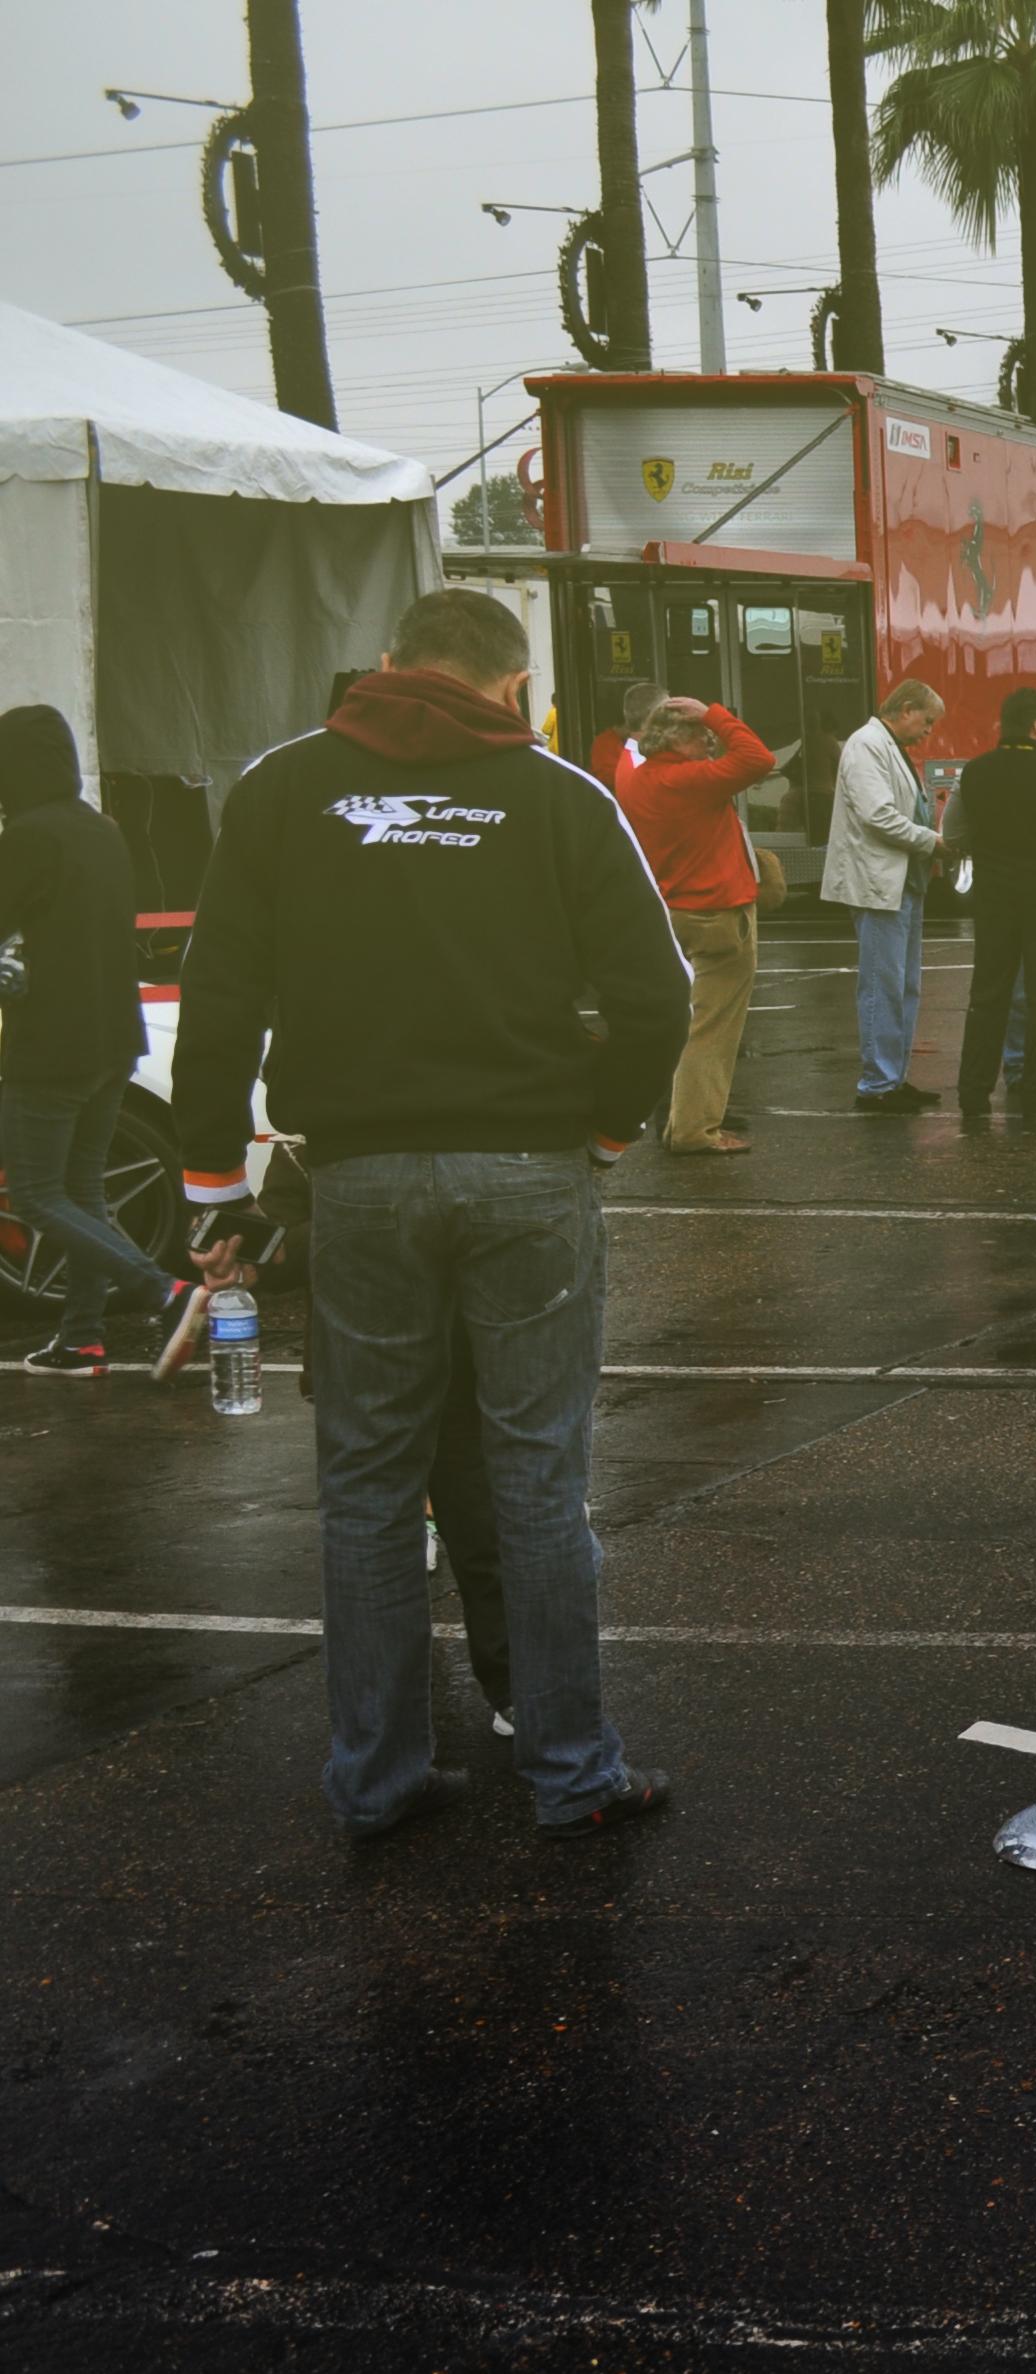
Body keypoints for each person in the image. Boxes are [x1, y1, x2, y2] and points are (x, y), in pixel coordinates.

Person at [172, 584, 687, 1840]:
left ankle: (378, 1778)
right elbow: (658, 993)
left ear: (388, 664)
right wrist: (607, 1131)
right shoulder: (566, 796)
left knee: (365, 1483)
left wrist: (215, 1187)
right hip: (527, 1172)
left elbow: (218, 995)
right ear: (513, 686)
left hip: (358, 1177)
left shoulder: (284, 788)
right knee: (537, 1479)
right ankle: (571, 1770)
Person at [1, 703, 191, 1374]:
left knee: (34, 1194)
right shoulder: (100, 830)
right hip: (117, 1038)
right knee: (82, 1190)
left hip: (52, 1046)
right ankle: (82, 1338)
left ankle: (162, 1291)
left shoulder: (26, 836)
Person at [612, 694, 780, 1154]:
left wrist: (703, 721)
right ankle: (694, 1128)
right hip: (719, 915)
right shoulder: (691, 781)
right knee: (713, 1027)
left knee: (687, 1021)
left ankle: (677, 1117)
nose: (710, 744)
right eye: (701, 737)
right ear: (677, 739)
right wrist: (716, 714)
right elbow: (758, 759)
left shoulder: (637, 778)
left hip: (673, 911)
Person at [946, 687, 1036, 1121]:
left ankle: (973, 1093)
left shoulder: (972, 774)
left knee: (988, 994)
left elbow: (953, 835)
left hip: (994, 901)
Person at [825, 678, 947, 1110]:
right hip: (880, 886)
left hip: (900, 884)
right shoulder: (866, 745)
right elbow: (878, 815)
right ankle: (878, 1083)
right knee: (883, 984)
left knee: (904, 984)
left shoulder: (886, 746)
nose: (928, 731)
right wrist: (932, 841)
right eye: (927, 721)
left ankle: (893, 1076)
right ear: (907, 708)